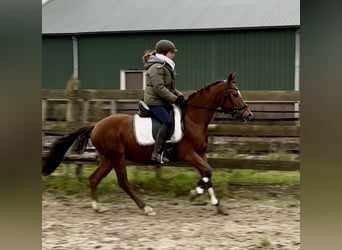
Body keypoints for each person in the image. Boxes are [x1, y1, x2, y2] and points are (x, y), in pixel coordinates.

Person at [142, 39, 185, 163]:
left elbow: (170, 88)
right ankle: (156, 153)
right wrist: (174, 99)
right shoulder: (156, 67)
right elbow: (159, 88)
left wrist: (180, 96)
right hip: (154, 101)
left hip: (162, 101)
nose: (174, 55)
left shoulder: (165, 66)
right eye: (172, 52)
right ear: (164, 53)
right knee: (166, 122)